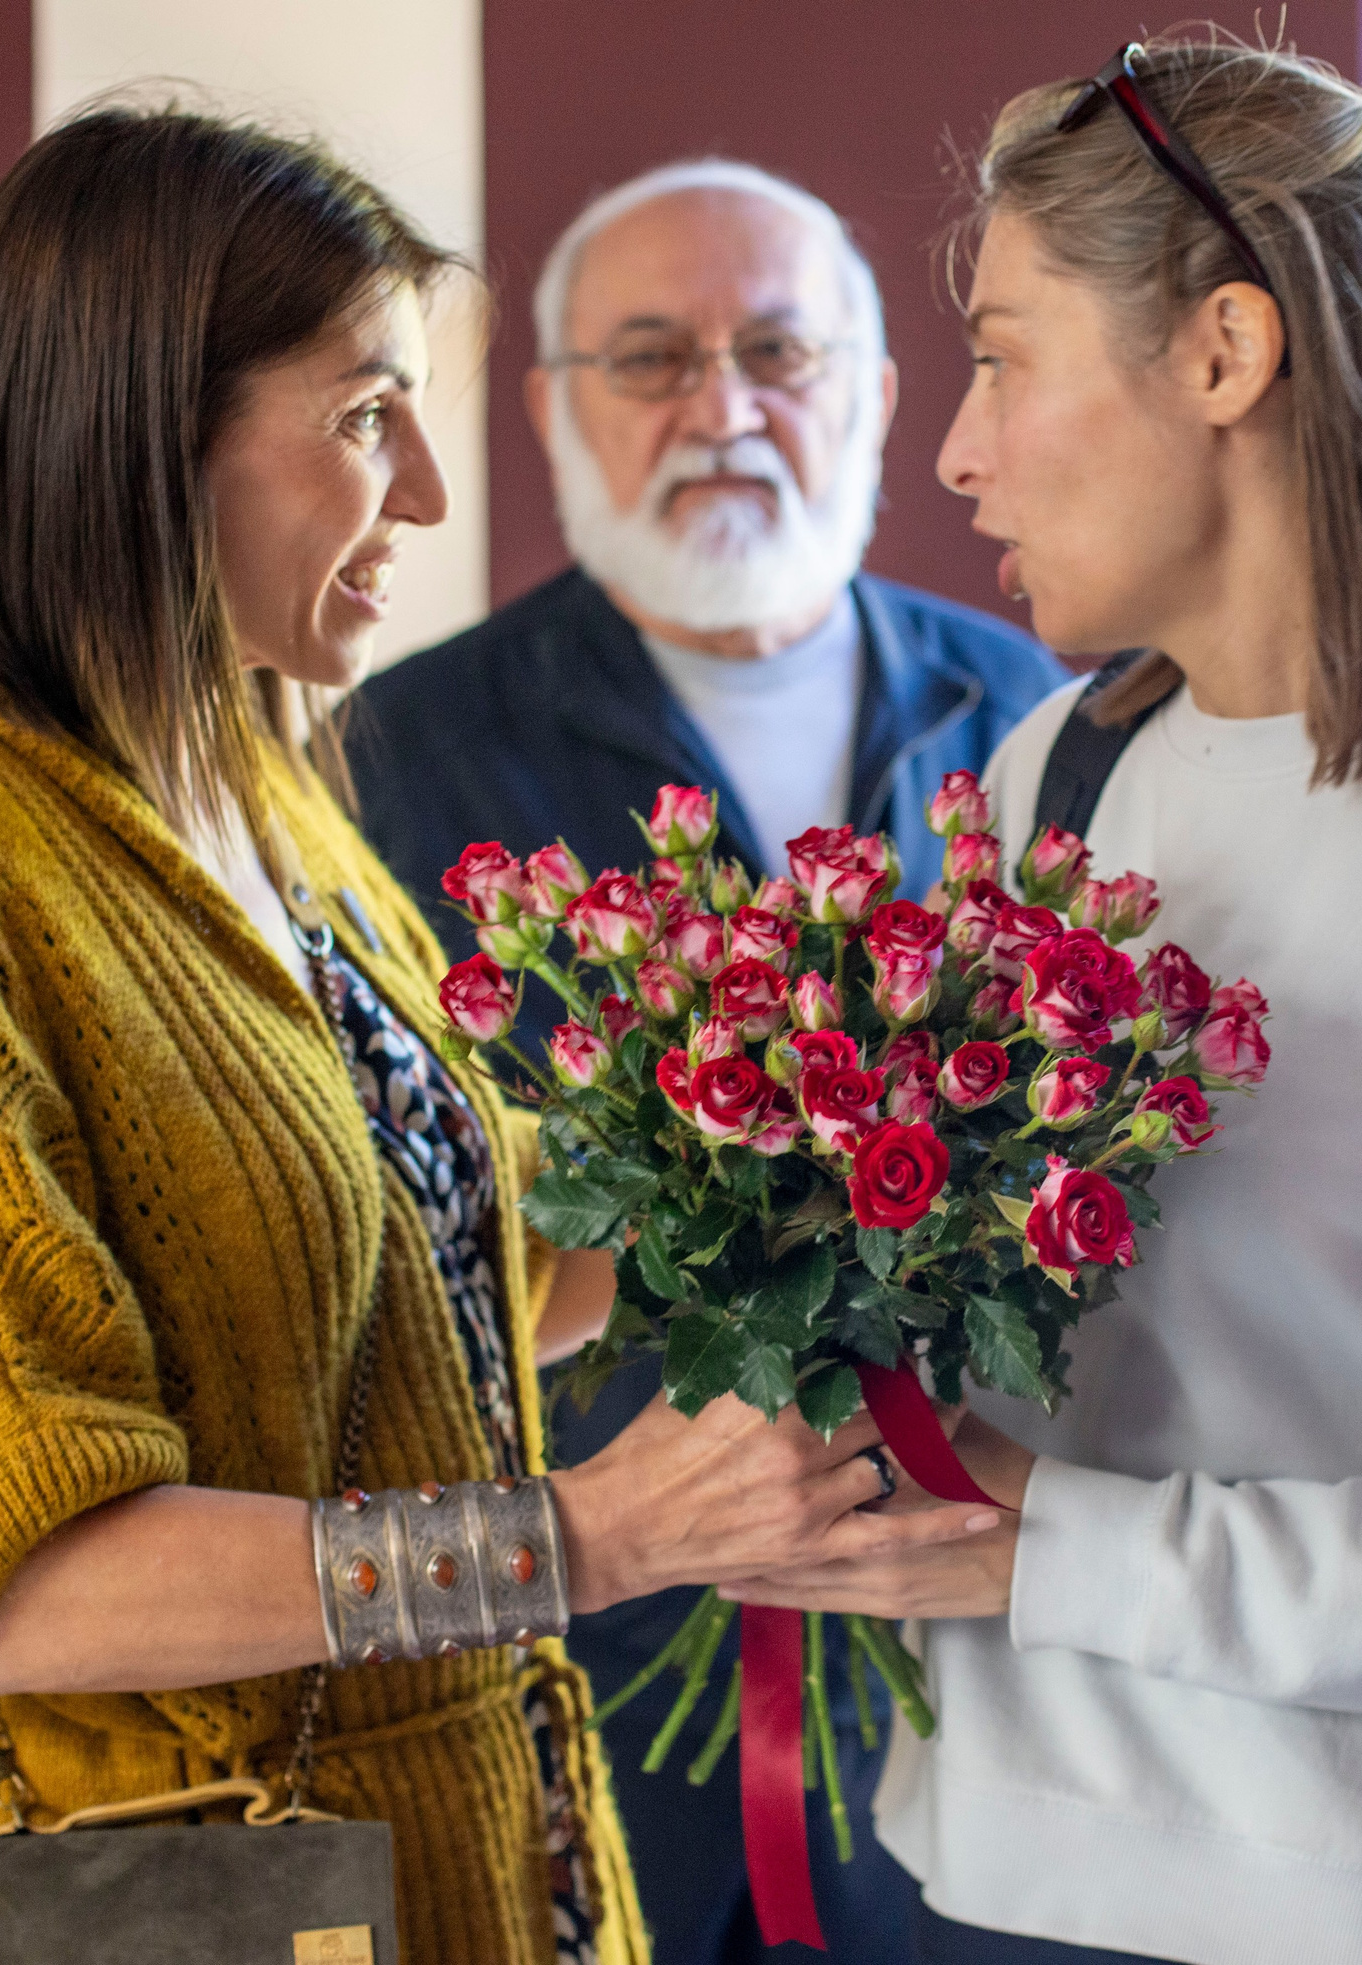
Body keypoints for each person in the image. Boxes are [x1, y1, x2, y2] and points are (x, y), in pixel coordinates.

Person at [0, 108, 992, 1965]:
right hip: (172, 1888)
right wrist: (578, 1537)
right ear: (141, 432)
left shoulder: (269, 792)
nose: (421, 488)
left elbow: (427, 1278)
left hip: (470, 1849)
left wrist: (741, 1214)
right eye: (361, 415)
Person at [723, 40, 1362, 1965]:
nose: (955, 452)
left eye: (1005, 352)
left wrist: (1060, 1543)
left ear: (1224, 354)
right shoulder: (1054, 773)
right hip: (984, 1876)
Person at [352, 157, 1064, 1964]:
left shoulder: (1048, 726)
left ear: (884, 396)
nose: (723, 408)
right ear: (550, 409)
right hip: (590, 1639)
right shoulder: (390, 755)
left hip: (973, 1656)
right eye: (651, 358)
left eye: (778, 351)